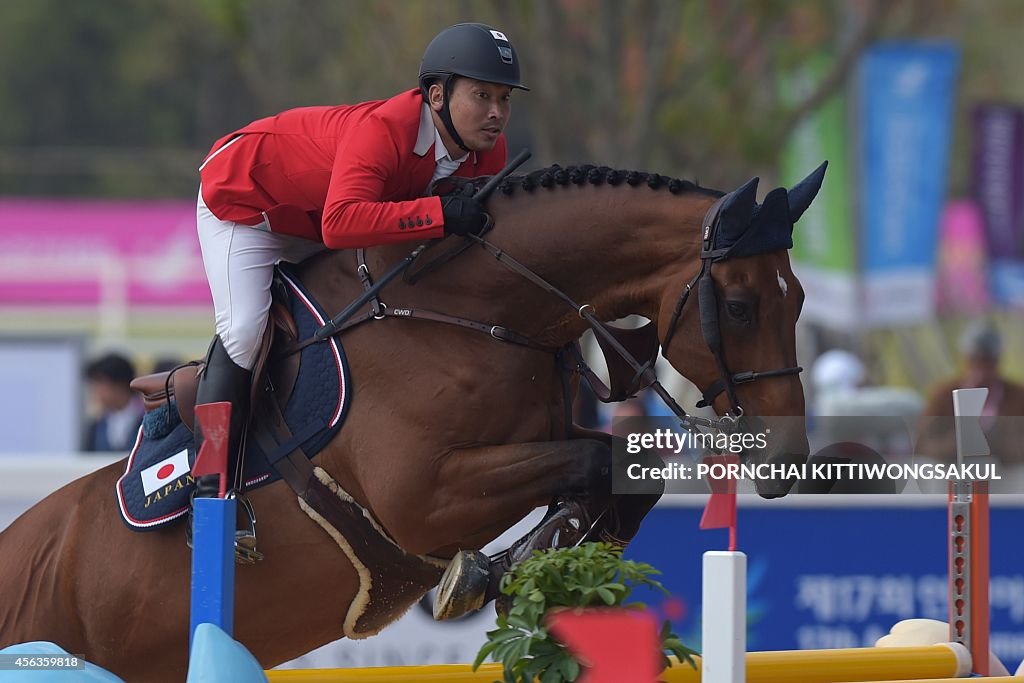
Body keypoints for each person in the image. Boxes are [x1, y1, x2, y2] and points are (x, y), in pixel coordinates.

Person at [192, 23, 527, 500]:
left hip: (311, 218)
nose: (497, 113)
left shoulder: (487, 152)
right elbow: (341, 223)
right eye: (483, 96)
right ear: (437, 96)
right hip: (246, 205)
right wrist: (437, 213)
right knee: (244, 330)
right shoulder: (386, 130)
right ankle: (210, 485)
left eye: (505, 98)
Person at [916, 320, 1024, 464]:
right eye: (975, 360)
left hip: (1008, 480)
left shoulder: (1017, 396)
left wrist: (1000, 441)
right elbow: (922, 445)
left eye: (988, 361)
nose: (981, 368)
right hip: (954, 478)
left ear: (998, 361)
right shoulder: (944, 395)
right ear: (965, 358)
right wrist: (956, 443)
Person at [83, 352, 144, 452]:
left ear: (120, 385)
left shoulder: (146, 421)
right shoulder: (96, 427)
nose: (97, 391)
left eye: (101, 384)